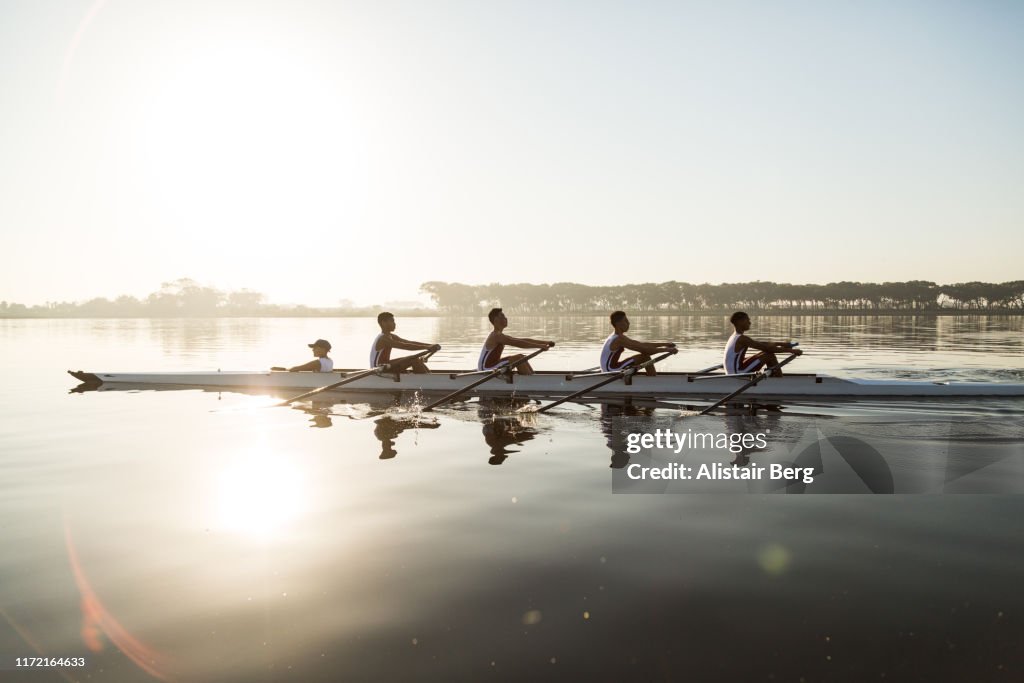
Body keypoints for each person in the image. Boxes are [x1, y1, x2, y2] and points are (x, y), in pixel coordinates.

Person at [478, 308, 554, 375]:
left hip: (492, 365)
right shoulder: (496, 336)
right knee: (517, 358)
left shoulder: (500, 335)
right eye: (502, 316)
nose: (506, 318)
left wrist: (545, 342)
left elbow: (521, 340)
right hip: (485, 369)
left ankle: (531, 377)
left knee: (521, 357)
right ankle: (531, 381)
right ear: (496, 320)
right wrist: (540, 346)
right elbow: (518, 344)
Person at [723, 311, 801, 376]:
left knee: (764, 353)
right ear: (739, 322)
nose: (750, 323)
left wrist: (783, 344)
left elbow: (763, 344)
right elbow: (767, 348)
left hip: (733, 371)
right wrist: (792, 351)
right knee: (769, 355)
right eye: (747, 320)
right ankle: (779, 381)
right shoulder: (742, 338)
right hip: (736, 373)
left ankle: (774, 376)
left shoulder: (734, 336)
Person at [600, 311, 676, 376]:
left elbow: (642, 345)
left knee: (644, 356)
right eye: (625, 321)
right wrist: (667, 350)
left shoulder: (616, 336)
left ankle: (652, 378)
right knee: (644, 357)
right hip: (610, 371)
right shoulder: (619, 339)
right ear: (618, 323)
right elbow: (645, 350)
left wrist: (665, 344)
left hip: (609, 368)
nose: (629, 323)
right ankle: (653, 382)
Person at [370, 312, 441, 374]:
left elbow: (408, 342)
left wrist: (430, 345)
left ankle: (429, 376)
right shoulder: (383, 339)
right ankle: (429, 380)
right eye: (392, 321)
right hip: (379, 369)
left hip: (386, 365)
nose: (394, 324)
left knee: (415, 359)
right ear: (383, 323)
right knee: (414, 360)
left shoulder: (391, 336)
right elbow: (405, 346)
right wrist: (427, 347)